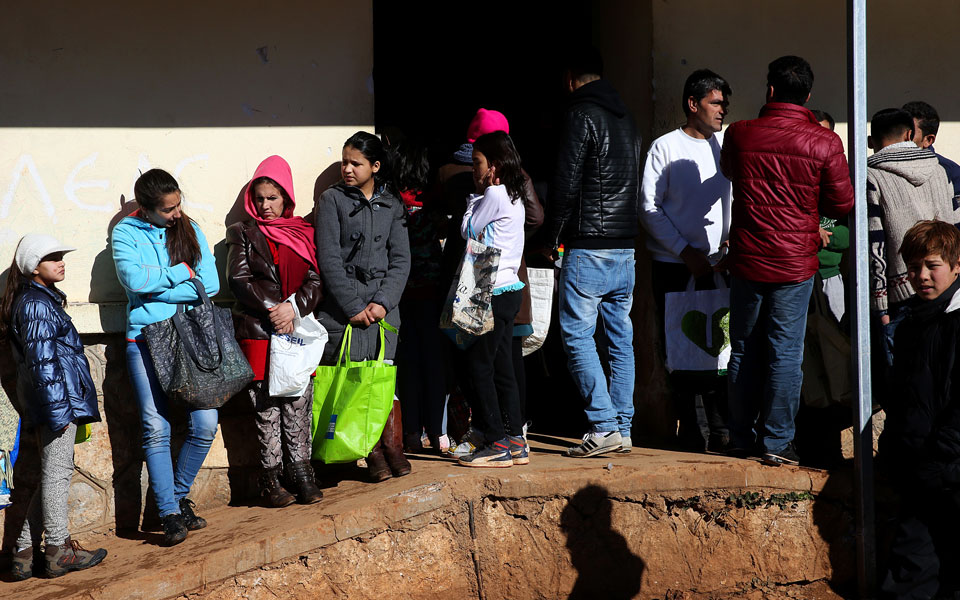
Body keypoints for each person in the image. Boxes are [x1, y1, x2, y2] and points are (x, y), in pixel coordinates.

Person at [720, 56, 854, 466]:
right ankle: (776, 444)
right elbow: (843, 201)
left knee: (743, 348)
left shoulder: (741, 134)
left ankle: (740, 436)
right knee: (785, 353)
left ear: (770, 90)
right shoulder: (824, 141)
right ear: (809, 96)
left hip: (747, 257)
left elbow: (730, 172)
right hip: (795, 262)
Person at [112, 169, 220, 545]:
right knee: (156, 427)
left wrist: (160, 289)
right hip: (143, 339)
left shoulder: (189, 229)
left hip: (189, 337)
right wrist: (180, 274)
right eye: (168, 209)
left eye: (178, 204)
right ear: (147, 209)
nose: (177, 214)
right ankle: (171, 514)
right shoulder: (125, 232)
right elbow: (135, 283)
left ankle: (174, 497)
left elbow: (211, 283)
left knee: (206, 422)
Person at [547, 45, 642, 458]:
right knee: (620, 338)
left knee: (576, 336)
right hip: (625, 247)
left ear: (570, 77)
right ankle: (622, 426)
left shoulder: (579, 114)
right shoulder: (628, 118)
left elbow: (566, 182)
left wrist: (551, 237)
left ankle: (603, 426)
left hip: (589, 248)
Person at [1, 234, 107, 579]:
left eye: (61, 255)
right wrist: (60, 411)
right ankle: (58, 550)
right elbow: (42, 364)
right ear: (33, 267)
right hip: (56, 405)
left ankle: (22, 552)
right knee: (57, 474)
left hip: (56, 403)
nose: (61, 261)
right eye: (53, 257)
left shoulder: (40, 300)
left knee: (53, 473)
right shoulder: (35, 304)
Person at [640, 68, 732, 453]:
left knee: (720, 348)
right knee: (680, 348)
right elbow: (649, 207)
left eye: (724, 104)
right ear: (693, 104)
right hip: (676, 266)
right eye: (714, 103)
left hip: (719, 264)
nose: (721, 110)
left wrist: (730, 246)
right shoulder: (665, 147)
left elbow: (737, 199)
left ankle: (722, 430)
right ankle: (691, 433)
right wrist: (684, 251)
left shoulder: (726, 146)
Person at [226, 155, 324, 507]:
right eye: (261, 198)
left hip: (296, 328)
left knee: (297, 398)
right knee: (266, 405)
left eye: (273, 198)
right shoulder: (242, 233)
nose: (266, 206)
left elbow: (315, 278)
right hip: (259, 330)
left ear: (287, 199)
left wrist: (293, 308)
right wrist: (273, 310)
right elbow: (239, 279)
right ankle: (270, 478)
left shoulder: (304, 233)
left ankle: (301, 472)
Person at [314, 131, 411, 482]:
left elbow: (401, 261)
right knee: (353, 378)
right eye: (344, 161)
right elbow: (328, 259)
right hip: (344, 310)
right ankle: (365, 451)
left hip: (384, 311)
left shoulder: (393, 204)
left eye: (356, 163)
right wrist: (354, 305)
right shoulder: (331, 200)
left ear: (375, 166)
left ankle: (390, 446)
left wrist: (383, 303)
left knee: (382, 377)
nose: (347, 169)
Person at [878, 220, 960, 598]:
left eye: (932, 265)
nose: (921, 276)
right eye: (913, 268)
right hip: (920, 472)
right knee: (911, 573)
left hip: (948, 470)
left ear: (956, 265)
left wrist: (939, 458)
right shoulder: (909, 321)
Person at [457, 131, 529, 468]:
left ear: (493, 166)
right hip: (510, 290)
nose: (474, 170)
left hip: (490, 292)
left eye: (477, 164)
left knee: (479, 366)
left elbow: (468, 230)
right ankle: (515, 437)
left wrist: (474, 200)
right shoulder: (514, 194)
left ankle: (496, 441)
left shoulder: (494, 194)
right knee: (502, 367)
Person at [867, 108, 954, 373]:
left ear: (871, 142)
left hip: (899, 297)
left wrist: (881, 307)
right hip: (946, 288)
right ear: (909, 134)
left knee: (904, 378)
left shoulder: (872, 177)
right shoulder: (940, 170)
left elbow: (875, 247)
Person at [391, 138, 448, 453]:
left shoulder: (392, 204)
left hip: (401, 295)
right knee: (434, 363)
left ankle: (411, 432)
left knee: (408, 363)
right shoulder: (434, 207)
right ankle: (438, 433)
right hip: (431, 293)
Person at [811, 109, 849, 323]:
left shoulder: (840, 181)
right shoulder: (789, 177)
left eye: (823, 136)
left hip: (830, 276)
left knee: (833, 341)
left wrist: (822, 236)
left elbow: (849, 235)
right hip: (793, 276)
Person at [902, 101, 960, 203]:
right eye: (898, 131)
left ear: (928, 140)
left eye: (910, 134)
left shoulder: (951, 173)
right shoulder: (878, 168)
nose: (901, 138)